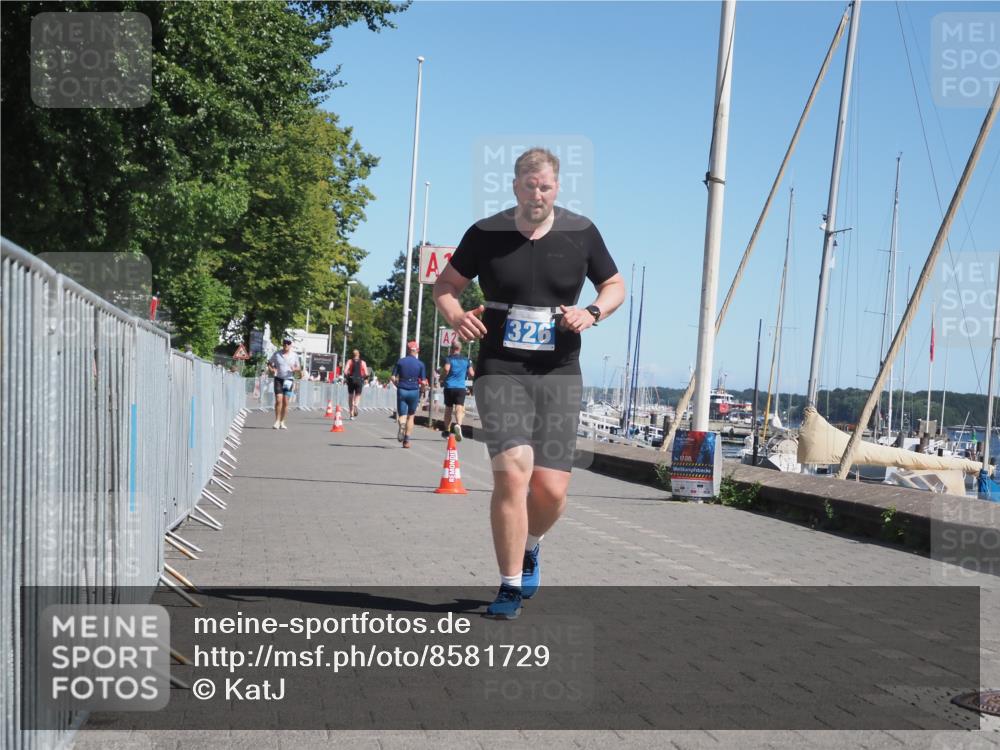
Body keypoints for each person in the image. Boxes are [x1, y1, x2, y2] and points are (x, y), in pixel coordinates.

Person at [433, 147, 625, 619]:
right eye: (528, 185)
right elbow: (445, 286)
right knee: (514, 471)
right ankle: (509, 586)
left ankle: (532, 545)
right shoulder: (485, 234)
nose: (536, 194)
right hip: (501, 368)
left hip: (559, 372)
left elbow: (616, 285)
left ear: (557, 188)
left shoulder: (581, 233)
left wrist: (592, 312)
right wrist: (457, 316)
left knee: (552, 490)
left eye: (545, 186)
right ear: (514, 186)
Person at [391, 341, 427, 449]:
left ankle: (402, 425)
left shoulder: (400, 362)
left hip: (402, 388)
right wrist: (422, 390)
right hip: (414, 391)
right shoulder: (421, 364)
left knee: (402, 414)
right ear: (417, 351)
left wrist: (397, 385)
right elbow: (424, 382)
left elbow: (392, 377)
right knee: (411, 416)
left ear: (408, 350)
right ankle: (406, 440)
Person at [440, 342, 474, 442]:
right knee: (459, 407)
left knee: (448, 409)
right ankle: (458, 425)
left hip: (449, 387)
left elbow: (446, 369)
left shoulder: (449, 359)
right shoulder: (467, 360)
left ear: (451, 349)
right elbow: (472, 373)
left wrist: (442, 379)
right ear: (460, 349)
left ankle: (447, 431)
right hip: (460, 387)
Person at [267, 337, 301, 430]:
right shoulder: (277, 354)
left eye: (288, 343)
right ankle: (277, 421)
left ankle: (283, 421)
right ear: (283, 344)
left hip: (288, 380)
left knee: (286, 401)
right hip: (278, 379)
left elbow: (298, 367)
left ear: (291, 345)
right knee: (278, 399)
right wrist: (272, 369)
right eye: (285, 343)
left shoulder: (294, 355)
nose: (286, 345)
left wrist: (295, 369)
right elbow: (269, 363)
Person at [344, 349, 369, 419]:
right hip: (359, 380)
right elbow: (366, 373)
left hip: (351, 379)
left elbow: (345, 372)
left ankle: (351, 413)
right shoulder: (363, 362)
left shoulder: (349, 361)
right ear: (359, 354)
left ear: (353, 355)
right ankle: (355, 405)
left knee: (350, 396)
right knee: (358, 395)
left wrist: (347, 378)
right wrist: (365, 379)